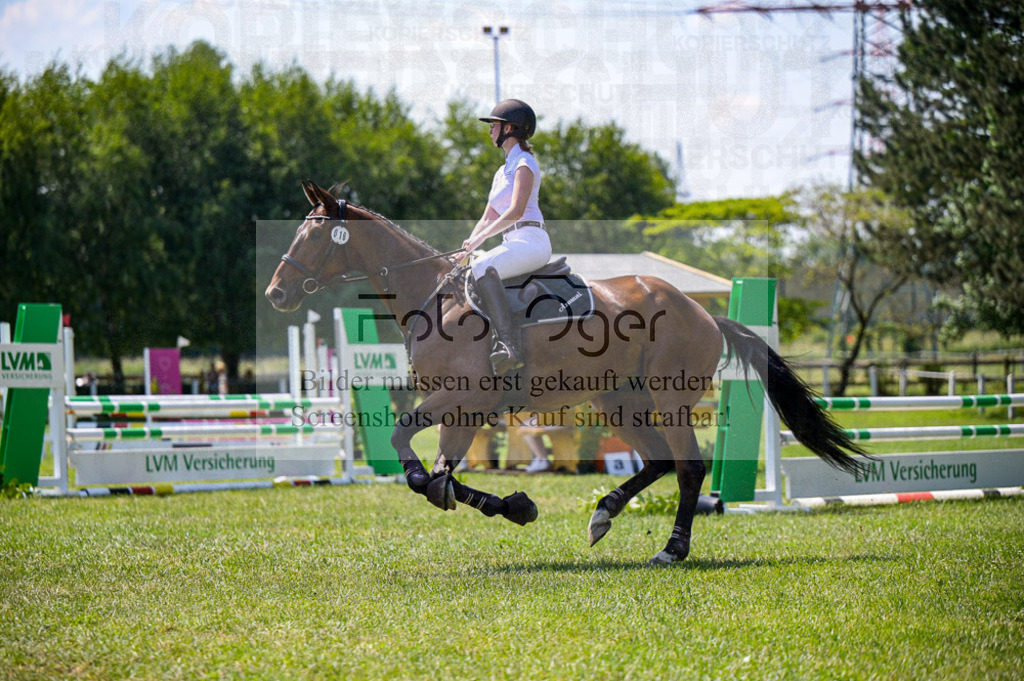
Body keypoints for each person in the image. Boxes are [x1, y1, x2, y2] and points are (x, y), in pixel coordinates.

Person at [456, 99, 552, 375]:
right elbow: (487, 216)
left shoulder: (525, 162)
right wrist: (464, 248)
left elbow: (515, 211)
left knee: (482, 266)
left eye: (494, 125)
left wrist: (478, 244)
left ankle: (508, 345)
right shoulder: (502, 171)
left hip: (531, 241)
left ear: (509, 128)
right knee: (469, 269)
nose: (490, 131)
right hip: (511, 242)